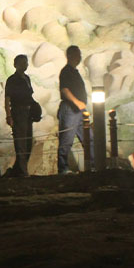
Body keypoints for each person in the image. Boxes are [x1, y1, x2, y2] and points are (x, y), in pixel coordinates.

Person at [56, 46, 91, 174]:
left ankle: (91, 165)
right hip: (70, 109)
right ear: (70, 55)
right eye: (78, 54)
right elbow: (64, 90)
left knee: (89, 138)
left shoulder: (74, 71)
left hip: (79, 110)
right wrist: (77, 103)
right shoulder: (66, 71)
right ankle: (63, 168)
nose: (80, 57)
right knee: (66, 139)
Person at [5, 54, 36, 177]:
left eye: (26, 62)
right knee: (20, 143)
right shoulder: (12, 80)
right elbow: (7, 98)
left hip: (28, 113)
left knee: (28, 142)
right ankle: (22, 172)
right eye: (22, 63)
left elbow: (30, 96)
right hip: (18, 112)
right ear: (15, 65)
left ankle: (18, 170)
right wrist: (9, 115)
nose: (25, 65)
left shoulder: (27, 78)